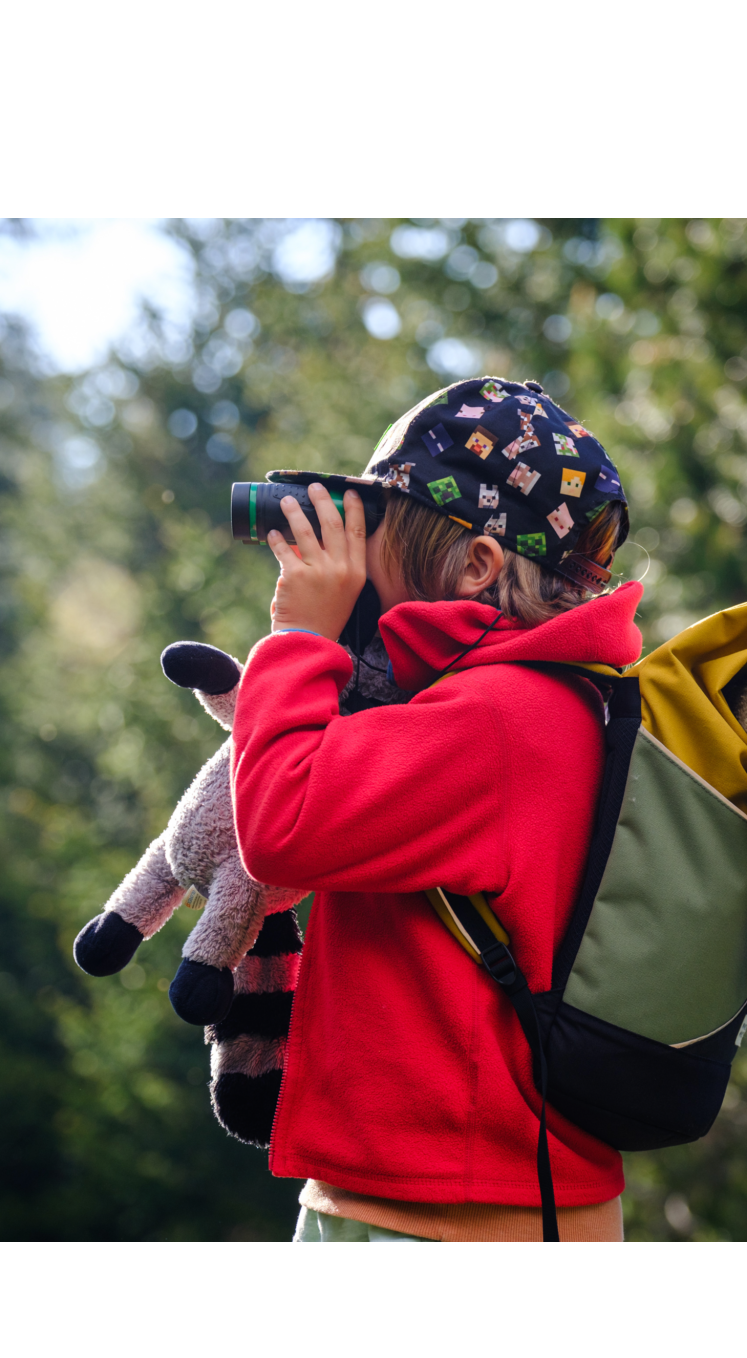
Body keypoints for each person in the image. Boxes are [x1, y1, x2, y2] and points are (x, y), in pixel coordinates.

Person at [231, 377, 644, 1242]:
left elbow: (280, 826)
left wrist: (301, 638)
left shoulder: (496, 720)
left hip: (441, 1220)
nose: (356, 548)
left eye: (378, 523)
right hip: (444, 1201)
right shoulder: (545, 701)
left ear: (475, 566)